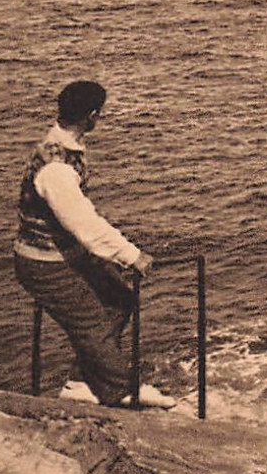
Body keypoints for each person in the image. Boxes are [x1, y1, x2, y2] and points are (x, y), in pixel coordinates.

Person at [13, 80, 175, 409]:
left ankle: (80, 382)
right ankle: (120, 389)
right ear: (91, 116)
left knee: (118, 299)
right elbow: (84, 224)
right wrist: (132, 256)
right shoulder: (56, 168)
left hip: (64, 254)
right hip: (44, 262)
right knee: (92, 320)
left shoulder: (61, 148)